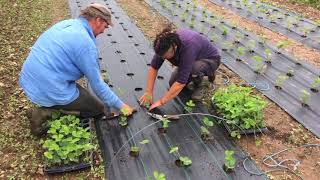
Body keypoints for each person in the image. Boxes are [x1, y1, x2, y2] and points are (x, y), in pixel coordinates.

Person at [19, 3, 134, 136]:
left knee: (84, 93)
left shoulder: (69, 24)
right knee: (96, 109)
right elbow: (97, 85)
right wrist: (122, 106)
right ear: (98, 20)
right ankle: (43, 113)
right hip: (47, 87)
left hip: (29, 80)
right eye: (105, 26)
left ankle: (51, 104)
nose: (104, 30)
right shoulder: (85, 43)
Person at [139, 25, 221, 110]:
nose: (164, 58)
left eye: (166, 56)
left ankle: (203, 81)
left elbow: (181, 82)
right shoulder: (163, 44)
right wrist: (148, 92)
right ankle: (192, 73)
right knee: (172, 83)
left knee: (194, 69)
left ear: (174, 47)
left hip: (210, 60)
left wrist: (161, 101)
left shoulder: (188, 47)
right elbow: (153, 67)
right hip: (191, 60)